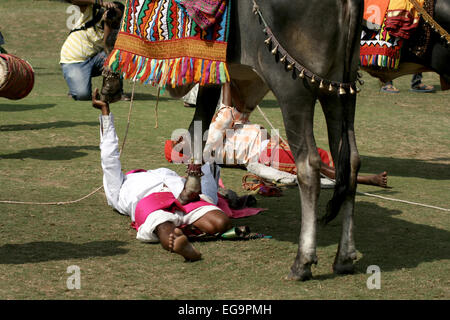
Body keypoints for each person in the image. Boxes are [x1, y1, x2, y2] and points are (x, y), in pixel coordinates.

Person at [92, 88, 232, 262]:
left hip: (183, 195)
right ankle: (179, 240)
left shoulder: (169, 176)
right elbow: (109, 159)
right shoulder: (120, 189)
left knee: (221, 222)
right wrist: (105, 116)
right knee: (162, 225)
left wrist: (199, 157)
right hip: (150, 200)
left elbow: (205, 186)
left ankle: (182, 233)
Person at [177, 82, 389, 188]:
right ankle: (365, 180)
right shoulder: (207, 144)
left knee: (321, 156)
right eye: (180, 143)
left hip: (270, 146)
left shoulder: (211, 137)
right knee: (315, 164)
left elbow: (233, 114)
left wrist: (228, 83)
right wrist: (226, 81)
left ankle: (351, 174)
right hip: (265, 153)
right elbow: (228, 112)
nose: (183, 139)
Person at [60, 0, 128, 101]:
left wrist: (107, 25)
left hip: (94, 59)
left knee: (117, 55)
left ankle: (116, 92)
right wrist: (99, 2)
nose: (114, 18)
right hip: (73, 60)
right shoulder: (92, 11)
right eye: (111, 13)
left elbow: (107, 49)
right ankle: (76, 85)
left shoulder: (116, 30)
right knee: (82, 95)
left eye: (118, 18)